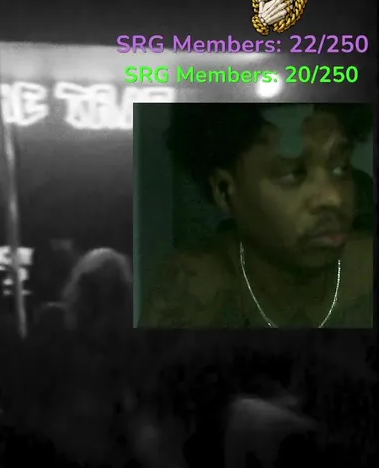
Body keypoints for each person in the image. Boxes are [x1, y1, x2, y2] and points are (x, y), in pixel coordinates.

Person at [140, 103, 374, 329]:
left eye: (341, 168)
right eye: (293, 174)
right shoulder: (192, 292)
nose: (334, 198)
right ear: (223, 190)